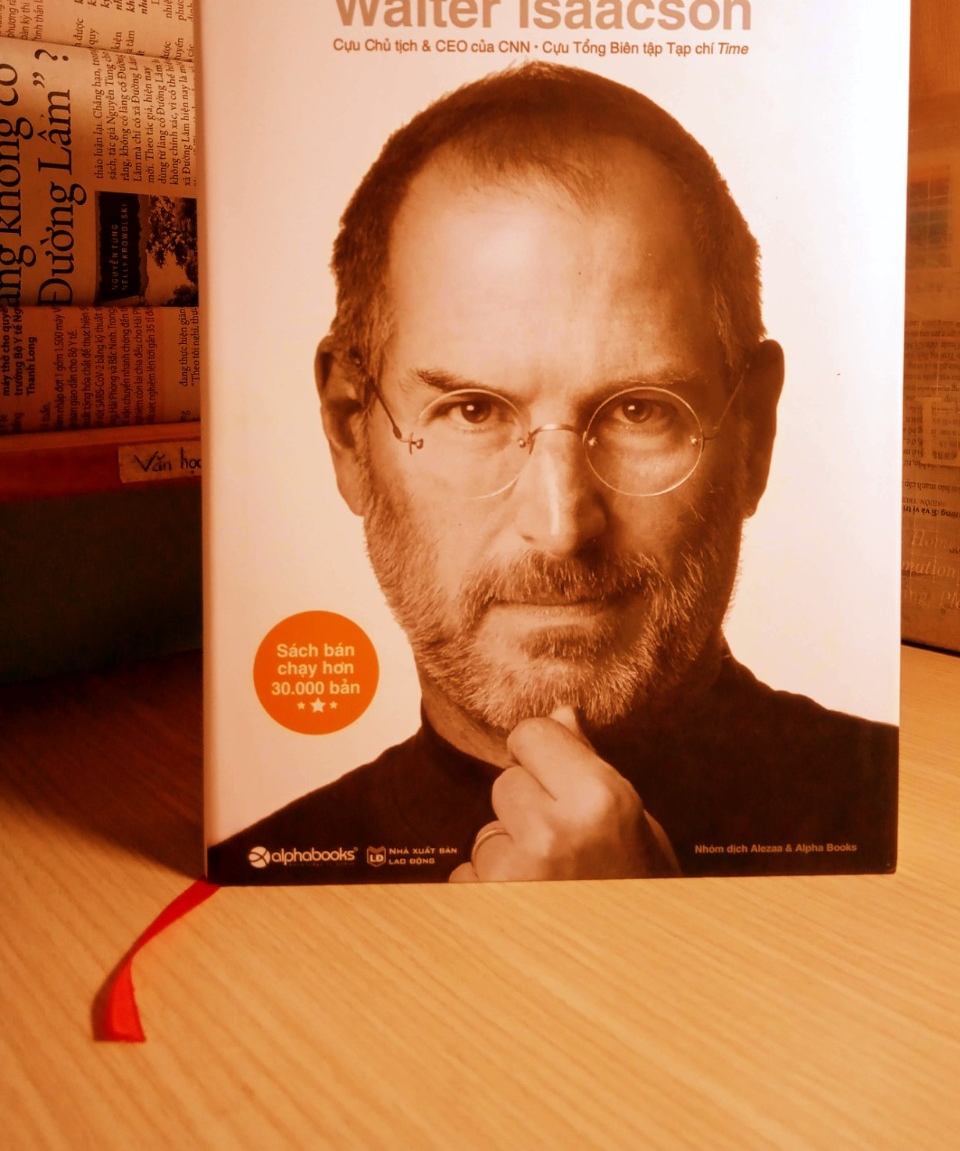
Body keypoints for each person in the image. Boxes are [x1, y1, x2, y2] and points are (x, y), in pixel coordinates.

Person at [208, 63, 897, 886]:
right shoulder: (257, 879)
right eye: (471, 411)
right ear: (349, 435)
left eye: (639, 411)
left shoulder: (888, 813)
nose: (563, 524)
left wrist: (633, 929)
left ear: (753, 434)